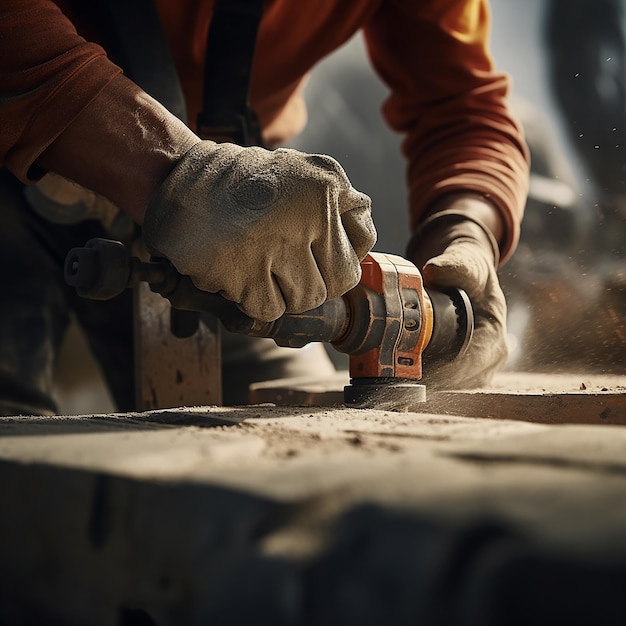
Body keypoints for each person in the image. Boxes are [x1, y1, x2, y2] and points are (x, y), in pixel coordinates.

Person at [0, 0, 529, 416]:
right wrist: (174, 170)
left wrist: (466, 232)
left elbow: (462, 107)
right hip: (17, 173)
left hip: (233, 236)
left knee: (296, 454)